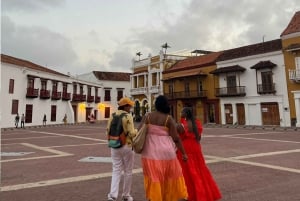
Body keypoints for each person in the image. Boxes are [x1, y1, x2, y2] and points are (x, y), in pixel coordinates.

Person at [139, 95, 188, 201]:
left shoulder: (147, 116)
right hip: (167, 153)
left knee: (154, 178)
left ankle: (154, 197)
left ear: (156, 105)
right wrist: (184, 153)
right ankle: (167, 197)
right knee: (169, 177)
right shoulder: (168, 119)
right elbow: (176, 138)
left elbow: (139, 131)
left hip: (149, 152)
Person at [176, 107, 222, 201]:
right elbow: (199, 137)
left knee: (187, 172)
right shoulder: (196, 123)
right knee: (200, 170)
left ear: (185, 114)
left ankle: (188, 194)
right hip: (196, 148)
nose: (180, 113)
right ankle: (204, 193)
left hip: (186, 148)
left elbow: (177, 137)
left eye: (182, 112)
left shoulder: (183, 125)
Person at [106, 97, 137, 201]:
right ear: (125, 106)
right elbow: (131, 133)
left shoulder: (112, 115)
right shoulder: (128, 116)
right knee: (128, 171)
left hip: (114, 145)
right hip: (127, 146)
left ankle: (113, 195)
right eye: (129, 106)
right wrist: (137, 131)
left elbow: (107, 130)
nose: (131, 107)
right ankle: (126, 195)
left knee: (116, 170)